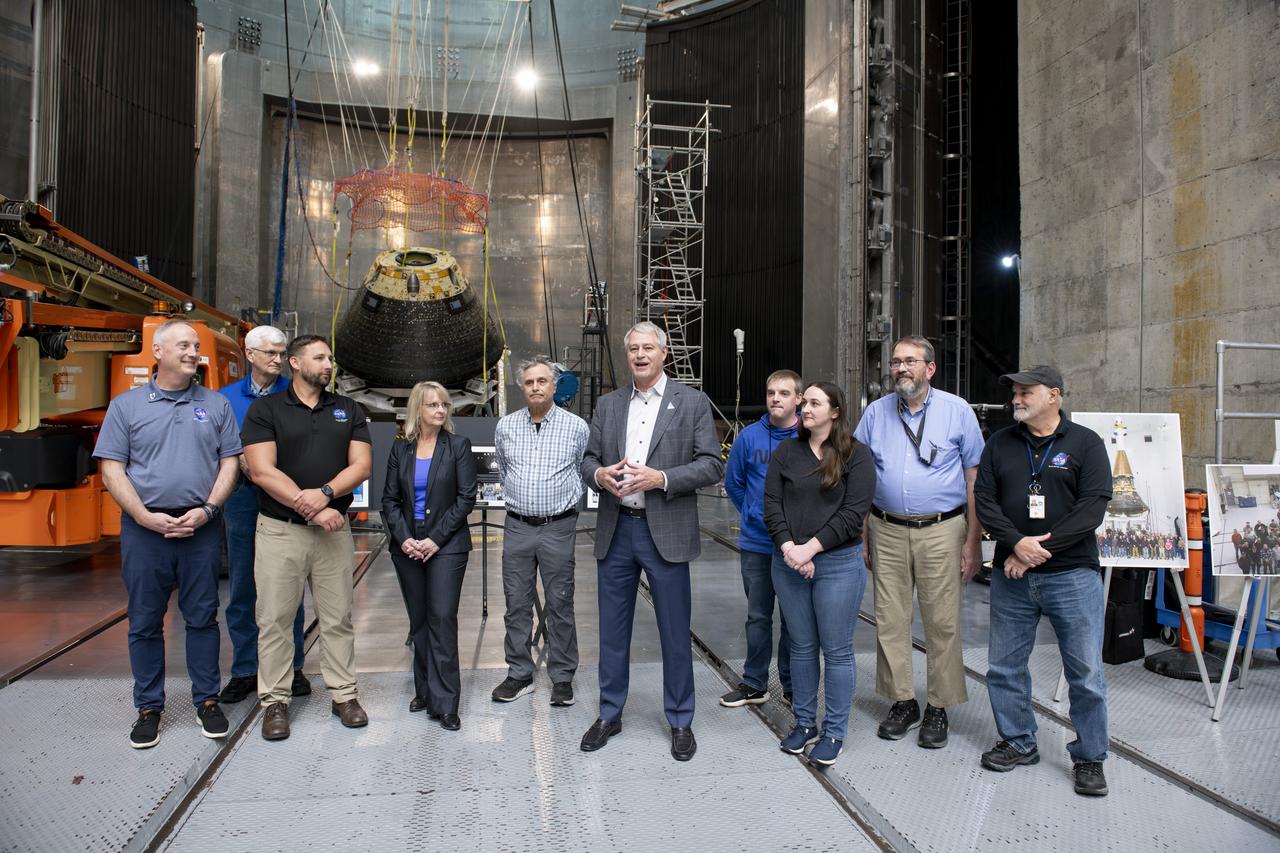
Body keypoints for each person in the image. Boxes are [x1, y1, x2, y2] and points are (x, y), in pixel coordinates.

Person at [579, 321, 724, 761]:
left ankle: (680, 720)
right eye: (633, 349)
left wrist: (661, 477)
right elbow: (587, 459)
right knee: (613, 630)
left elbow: (711, 466)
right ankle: (609, 713)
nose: (640, 355)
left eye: (648, 348)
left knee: (675, 632)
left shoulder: (692, 402)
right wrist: (600, 474)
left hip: (666, 531)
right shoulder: (608, 405)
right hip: (617, 528)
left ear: (664, 354)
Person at [94, 318, 241, 748]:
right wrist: (142, 516)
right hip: (145, 530)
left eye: (196, 345)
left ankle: (207, 701)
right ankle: (149, 708)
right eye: (184, 345)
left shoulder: (215, 406)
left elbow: (229, 463)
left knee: (202, 618)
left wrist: (209, 509)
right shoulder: (127, 406)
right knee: (143, 621)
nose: (194, 351)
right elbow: (111, 467)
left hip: (201, 528)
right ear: (157, 352)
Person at [974, 366, 1113, 797]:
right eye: (1014, 392)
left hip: (1072, 575)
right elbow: (985, 500)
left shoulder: (1085, 444)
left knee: (1085, 672)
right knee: (1004, 666)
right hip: (1012, 574)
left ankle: (1090, 757)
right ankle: (1018, 740)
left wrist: (1036, 551)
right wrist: (1016, 543)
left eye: (1025, 392)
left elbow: (1092, 509)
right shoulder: (1000, 444)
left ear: (1053, 395)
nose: (1016, 398)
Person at [853, 335, 984, 749]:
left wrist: (974, 541)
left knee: (941, 621)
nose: (900, 368)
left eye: (910, 361)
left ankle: (939, 706)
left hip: (943, 529)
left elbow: (973, 479)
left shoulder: (956, 411)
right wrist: (864, 534)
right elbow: (862, 476)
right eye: (895, 362)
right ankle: (903, 701)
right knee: (890, 619)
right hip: (885, 527)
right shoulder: (875, 413)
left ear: (930, 369)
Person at [242, 335, 373, 741]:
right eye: (320, 357)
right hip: (281, 532)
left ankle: (344, 695)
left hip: (334, 533)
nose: (328, 363)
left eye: (329, 357)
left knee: (338, 618)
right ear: (295, 363)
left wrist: (327, 494)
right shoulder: (266, 410)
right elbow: (261, 470)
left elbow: (362, 465)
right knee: (276, 620)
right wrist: (314, 507)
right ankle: (276, 702)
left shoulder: (348, 409)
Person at [765, 381, 876, 766]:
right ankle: (805, 724)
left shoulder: (856, 456)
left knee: (838, 651)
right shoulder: (786, 452)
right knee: (802, 646)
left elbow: (852, 515)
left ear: (835, 411)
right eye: (805, 402)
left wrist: (810, 549)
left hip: (837, 566)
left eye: (814, 403)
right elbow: (772, 505)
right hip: (789, 562)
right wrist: (789, 549)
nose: (805, 407)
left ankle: (834, 731)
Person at [214, 325, 310, 705]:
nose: (278, 359)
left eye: (282, 352)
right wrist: (241, 459)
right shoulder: (224, 399)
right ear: (249, 355)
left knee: (288, 584)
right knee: (243, 586)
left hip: (285, 496)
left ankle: (294, 665)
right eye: (271, 352)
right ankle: (245, 669)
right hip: (242, 498)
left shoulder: (296, 395)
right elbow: (217, 446)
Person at [490, 356, 589, 707]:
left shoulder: (576, 427)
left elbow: (582, 467)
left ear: (553, 385)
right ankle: (519, 673)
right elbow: (503, 468)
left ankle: (562, 677)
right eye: (530, 382)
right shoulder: (506, 427)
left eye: (542, 381)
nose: (535, 387)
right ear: (522, 386)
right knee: (516, 603)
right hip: (517, 526)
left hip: (558, 527)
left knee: (560, 602)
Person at [381, 381, 477, 730]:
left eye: (445, 405)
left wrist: (434, 539)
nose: (441, 411)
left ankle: (446, 701)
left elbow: (465, 499)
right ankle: (424, 689)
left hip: (447, 546)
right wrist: (404, 538)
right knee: (419, 621)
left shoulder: (458, 447)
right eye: (433, 405)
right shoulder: (401, 449)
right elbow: (389, 501)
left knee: (441, 618)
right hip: (407, 546)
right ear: (417, 410)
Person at [720, 369, 800, 708]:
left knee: (795, 619)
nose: (775, 399)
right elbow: (734, 483)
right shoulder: (749, 438)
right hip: (756, 544)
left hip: (797, 548)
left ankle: (794, 684)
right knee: (757, 616)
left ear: (799, 398)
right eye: (771, 393)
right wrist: (751, 512)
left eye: (784, 393)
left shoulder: (809, 438)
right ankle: (755, 683)